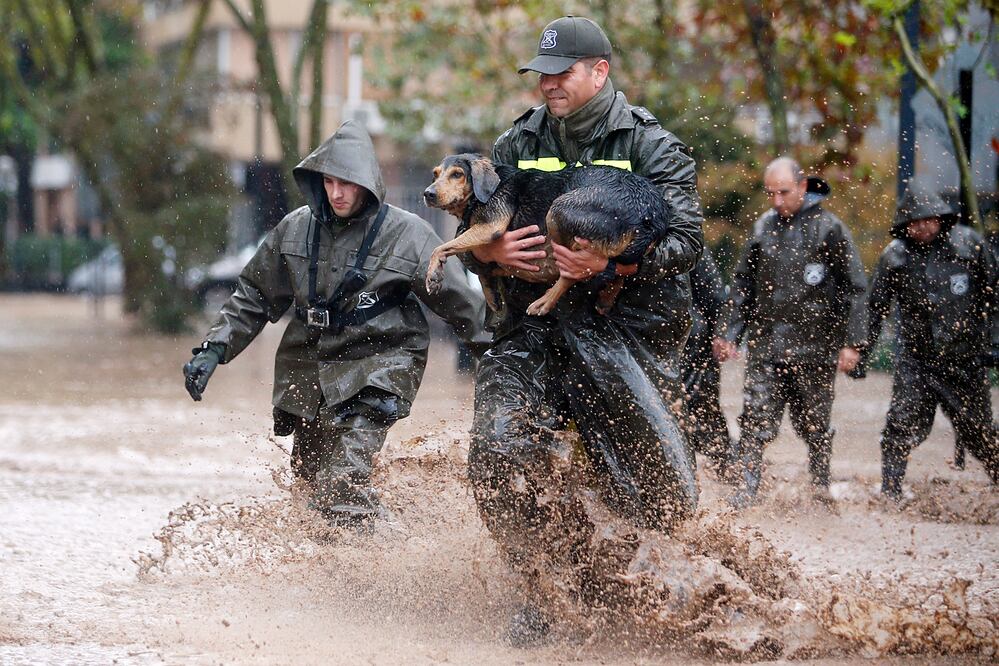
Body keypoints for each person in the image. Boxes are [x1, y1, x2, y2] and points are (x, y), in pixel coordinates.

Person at [460, 15, 704, 643]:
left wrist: (614, 263)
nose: (547, 85)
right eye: (541, 74)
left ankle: (642, 590)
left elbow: (688, 243)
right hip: (531, 325)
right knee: (497, 451)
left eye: (560, 73)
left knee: (634, 475)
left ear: (600, 70)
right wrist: (485, 255)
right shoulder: (517, 142)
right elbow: (478, 223)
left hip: (624, 327)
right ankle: (538, 587)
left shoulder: (651, 146)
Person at [182, 121, 488, 528]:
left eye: (347, 183)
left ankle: (383, 579)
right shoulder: (293, 228)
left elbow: (461, 304)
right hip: (311, 369)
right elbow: (254, 296)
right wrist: (214, 350)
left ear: (367, 183)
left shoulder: (410, 235)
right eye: (328, 182)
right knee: (310, 493)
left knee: (342, 484)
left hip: (381, 365)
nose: (337, 193)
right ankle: (387, 549)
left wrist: (504, 358)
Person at [715, 157, 868, 507]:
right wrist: (729, 334)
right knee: (755, 417)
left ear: (802, 186)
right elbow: (743, 287)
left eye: (783, 192)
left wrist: (853, 343)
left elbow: (856, 288)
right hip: (767, 345)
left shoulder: (830, 229)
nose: (777, 201)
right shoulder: (762, 228)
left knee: (814, 423)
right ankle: (748, 488)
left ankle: (819, 486)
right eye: (770, 194)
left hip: (815, 348)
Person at [866, 181, 999, 501]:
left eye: (929, 219)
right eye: (914, 221)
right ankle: (890, 491)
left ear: (942, 217)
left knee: (979, 432)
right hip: (916, 358)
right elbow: (875, 308)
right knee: (900, 424)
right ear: (904, 225)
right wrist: (861, 351)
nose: (922, 226)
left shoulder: (971, 247)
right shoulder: (895, 257)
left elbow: (994, 298)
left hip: (963, 358)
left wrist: (994, 342)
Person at [682, 247, 735, 477]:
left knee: (703, 413)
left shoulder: (689, 243)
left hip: (695, 348)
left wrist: (723, 335)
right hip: (654, 343)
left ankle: (730, 470)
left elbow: (717, 297)